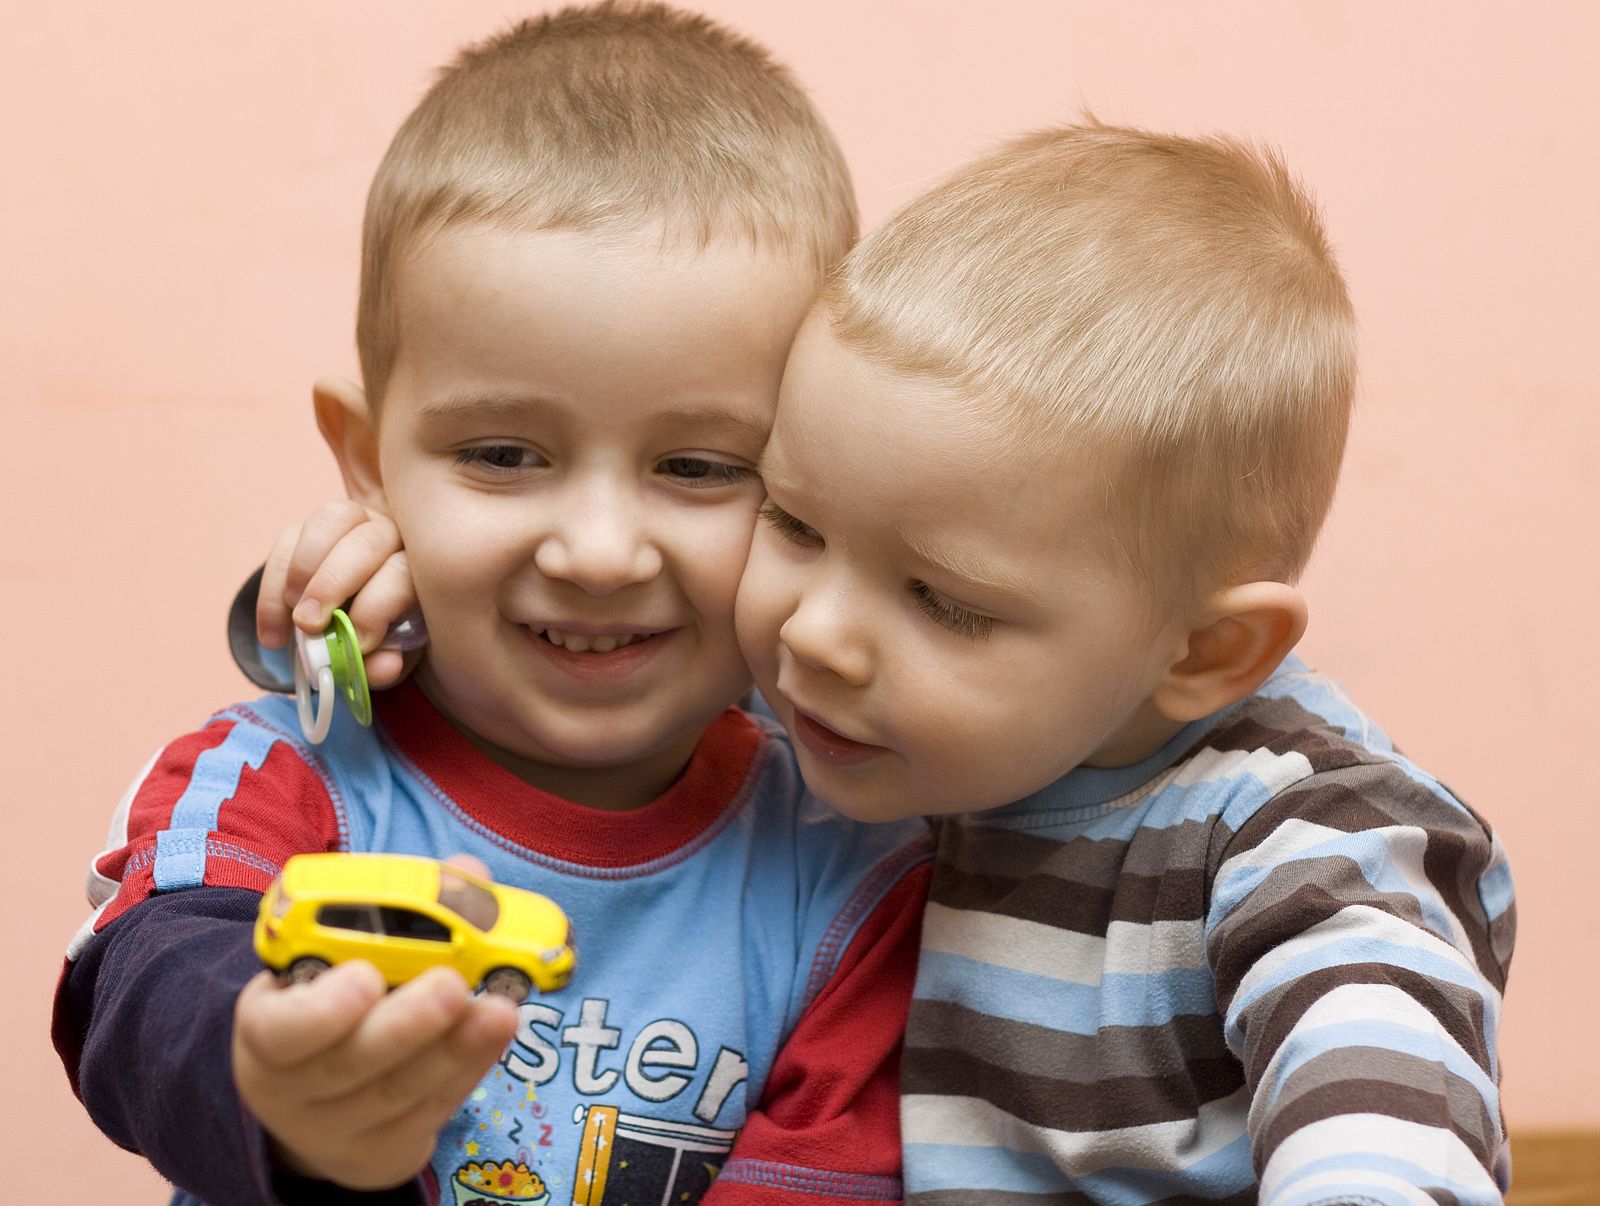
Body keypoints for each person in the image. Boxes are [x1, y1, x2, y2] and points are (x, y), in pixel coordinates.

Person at [51, 7, 931, 1206]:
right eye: (506, 456)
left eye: (700, 467)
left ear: (815, 479)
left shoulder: (855, 871)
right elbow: (140, 989)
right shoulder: (276, 775)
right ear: (366, 459)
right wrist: (286, 1095)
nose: (600, 552)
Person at [733, 123, 1516, 1203]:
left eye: (940, 601)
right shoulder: (870, 733)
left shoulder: (1303, 834)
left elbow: (1382, 1082)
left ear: (1200, 652)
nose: (813, 632)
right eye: (792, 523)